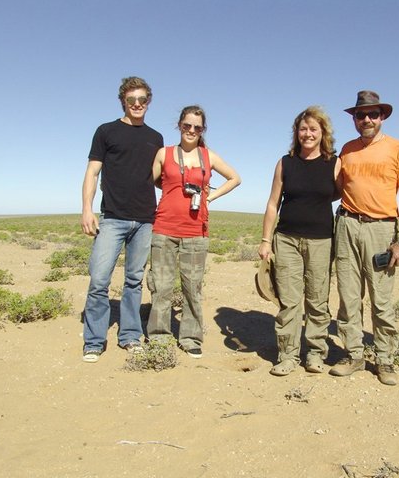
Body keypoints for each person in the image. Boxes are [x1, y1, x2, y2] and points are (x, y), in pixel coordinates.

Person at [329, 90, 399, 386]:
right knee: (349, 296)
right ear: (354, 119)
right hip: (347, 225)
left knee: (381, 300)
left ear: (382, 117)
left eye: (372, 114)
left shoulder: (398, 149)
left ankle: (384, 359)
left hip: (382, 228)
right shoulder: (347, 149)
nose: (366, 119)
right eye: (360, 115)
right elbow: (337, 185)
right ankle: (353, 354)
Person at [81, 76, 164, 363]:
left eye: (142, 100)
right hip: (113, 218)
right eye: (132, 100)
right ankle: (93, 340)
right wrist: (87, 209)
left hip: (145, 219)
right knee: (99, 279)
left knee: (134, 281)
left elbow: (156, 178)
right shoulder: (106, 131)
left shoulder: (156, 138)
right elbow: (92, 172)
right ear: (123, 102)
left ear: (149, 102)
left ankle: (130, 336)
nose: (137, 105)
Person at [147, 105, 240, 358]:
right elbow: (154, 181)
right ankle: (159, 337)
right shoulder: (163, 154)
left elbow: (235, 178)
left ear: (203, 130)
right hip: (164, 228)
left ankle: (190, 338)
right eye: (187, 125)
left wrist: (211, 197)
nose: (191, 130)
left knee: (192, 288)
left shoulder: (208, 156)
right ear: (179, 125)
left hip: (196, 231)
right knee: (162, 287)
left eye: (197, 127)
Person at [258, 106, 341, 376]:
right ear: (297, 132)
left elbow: (339, 194)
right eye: (303, 129)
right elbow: (273, 203)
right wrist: (265, 240)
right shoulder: (286, 162)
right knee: (289, 301)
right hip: (287, 239)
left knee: (317, 300)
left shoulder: (334, 162)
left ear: (322, 133)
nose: (307, 134)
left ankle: (315, 354)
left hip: (321, 241)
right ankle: (288, 355)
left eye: (313, 129)